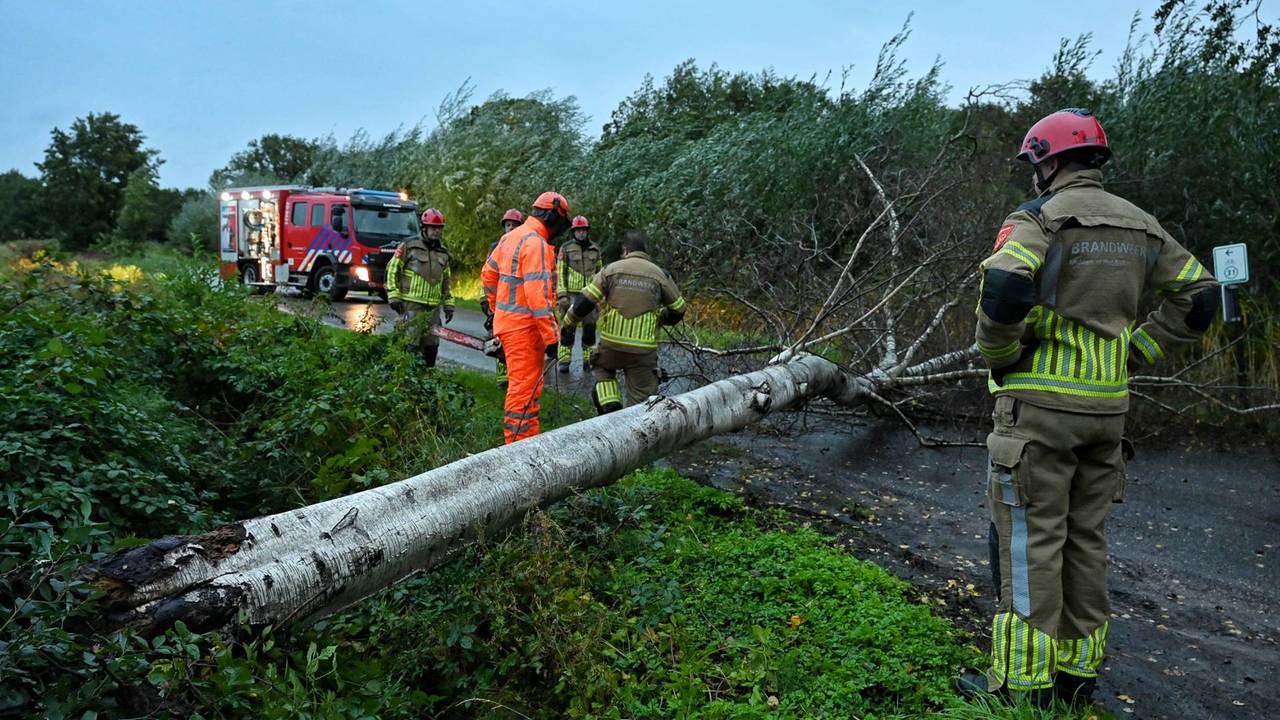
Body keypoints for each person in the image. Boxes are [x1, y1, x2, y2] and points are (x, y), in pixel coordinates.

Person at [964, 108, 1219, 707]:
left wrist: (999, 355)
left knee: (1031, 543)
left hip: (1037, 414)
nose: (1034, 174)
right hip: (1107, 414)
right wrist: (1136, 351)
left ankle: (1022, 691)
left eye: (1034, 164)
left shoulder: (1039, 219)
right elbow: (1203, 294)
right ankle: (1077, 678)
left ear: (1047, 162)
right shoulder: (1144, 227)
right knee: (1085, 540)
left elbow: (1003, 288)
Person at [562, 230, 684, 413]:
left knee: (602, 368)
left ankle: (610, 405)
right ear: (645, 251)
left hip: (612, 345)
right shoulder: (660, 274)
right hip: (643, 350)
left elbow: (585, 302)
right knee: (643, 400)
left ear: (625, 250)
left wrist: (568, 324)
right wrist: (661, 318)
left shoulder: (610, 270)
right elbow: (679, 309)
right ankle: (638, 426)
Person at [481, 193, 570, 443]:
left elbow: (488, 275)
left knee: (528, 389)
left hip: (509, 326)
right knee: (523, 391)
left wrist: (497, 310)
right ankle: (516, 449)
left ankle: (528, 442)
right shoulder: (537, 244)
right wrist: (552, 337)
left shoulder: (511, 237)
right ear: (554, 215)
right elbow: (538, 297)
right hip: (525, 330)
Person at [386, 208, 454, 367]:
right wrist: (394, 296)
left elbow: (446, 282)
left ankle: (426, 379)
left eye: (439, 228)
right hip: (412, 305)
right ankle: (404, 379)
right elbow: (391, 270)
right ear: (424, 227)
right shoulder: (409, 246)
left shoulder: (443, 253)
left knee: (432, 346)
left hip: (433, 309)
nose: (436, 231)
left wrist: (449, 305)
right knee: (410, 343)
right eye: (433, 228)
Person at [481, 208, 525, 390]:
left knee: (517, 341)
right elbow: (486, 273)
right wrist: (485, 298)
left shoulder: (526, 247)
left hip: (518, 302)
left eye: (514, 225)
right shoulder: (495, 247)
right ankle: (502, 378)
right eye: (508, 225)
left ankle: (516, 377)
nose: (511, 228)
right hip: (498, 300)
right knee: (498, 340)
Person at [556, 215, 604, 373]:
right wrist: (562, 295)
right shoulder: (566, 249)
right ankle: (564, 361)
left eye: (584, 230)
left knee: (590, 328)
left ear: (587, 231)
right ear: (573, 232)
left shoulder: (595, 249)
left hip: (590, 295)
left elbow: (600, 274)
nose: (581, 233)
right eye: (578, 230)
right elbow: (560, 272)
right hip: (571, 295)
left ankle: (588, 359)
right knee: (568, 328)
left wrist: (600, 297)